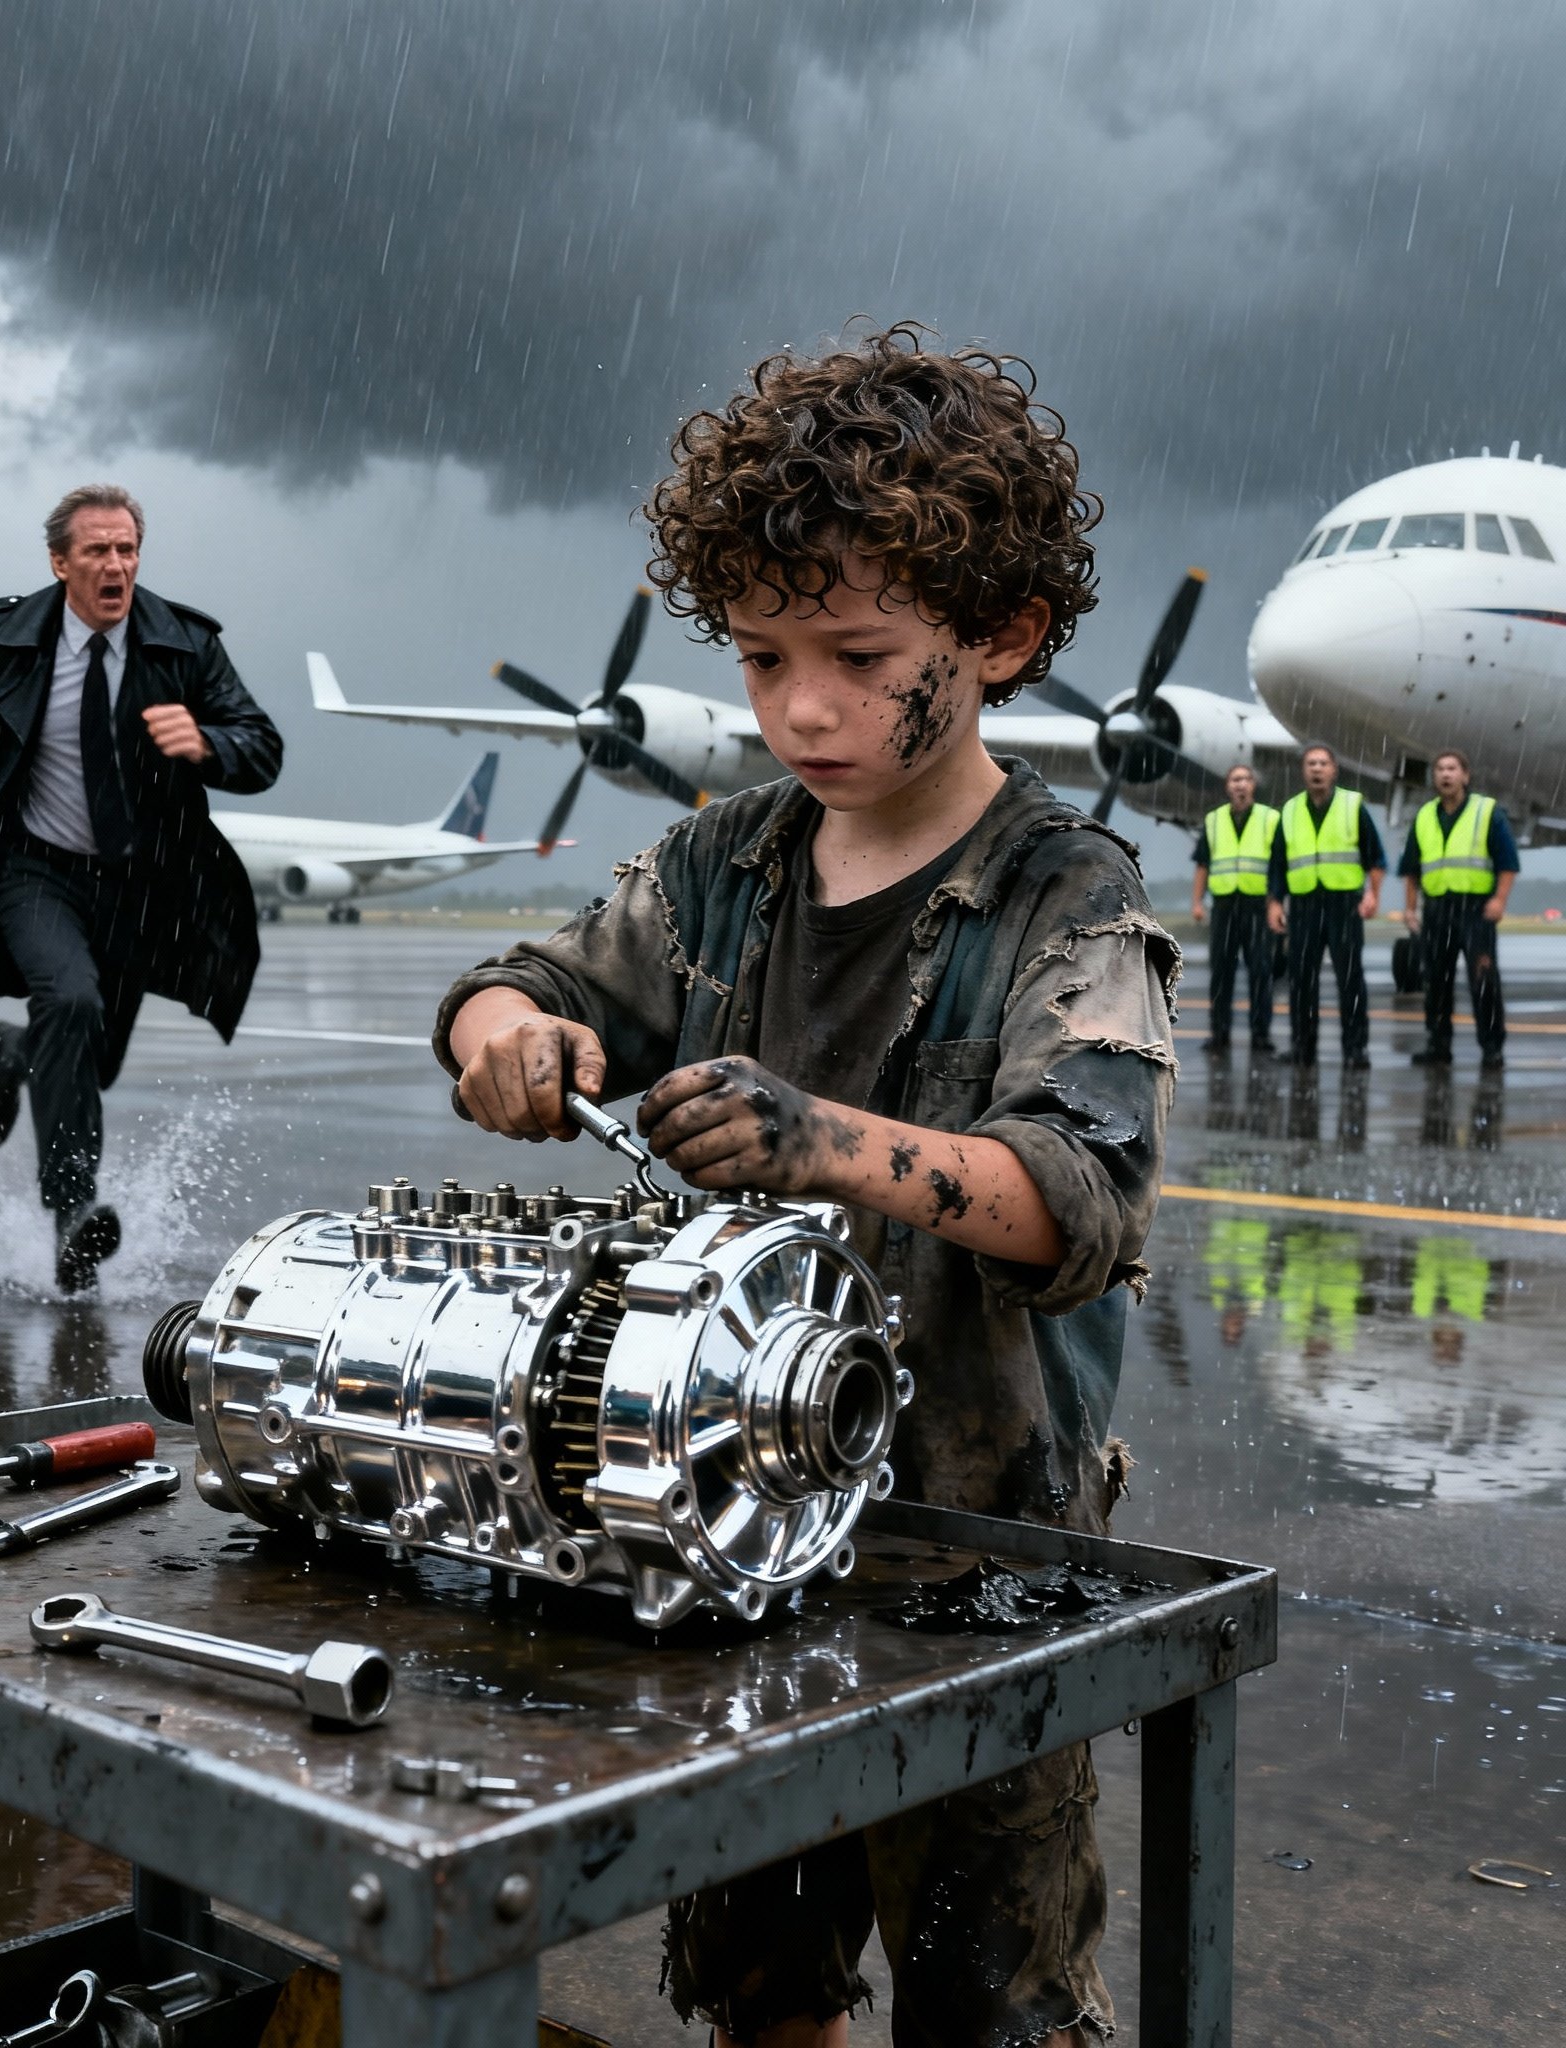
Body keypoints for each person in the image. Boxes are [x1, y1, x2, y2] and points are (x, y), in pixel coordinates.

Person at [437, 327, 1176, 2048]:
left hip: (974, 1560)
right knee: (757, 1981)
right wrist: (502, 1031)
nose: (799, 710)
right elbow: (525, 977)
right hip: (729, 1528)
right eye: (763, 656)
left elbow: (1081, 1204)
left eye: (856, 652)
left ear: (1000, 636)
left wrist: (818, 1138)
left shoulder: (1065, 894)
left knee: (988, 2003)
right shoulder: (719, 864)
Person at [0, 484, 283, 1291]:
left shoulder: (184, 646)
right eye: (98, 551)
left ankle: (15, 1052)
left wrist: (212, 744)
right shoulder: (0, 642)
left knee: (88, 1060)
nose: (116, 565)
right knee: (72, 1004)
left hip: (140, 888)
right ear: (60, 562)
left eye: (128, 550)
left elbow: (261, 746)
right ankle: (73, 1215)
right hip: (30, 868)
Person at [1266, 743, 1384, 1070]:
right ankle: (1303, 1048)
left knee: (1350, 979)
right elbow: (1278, 864)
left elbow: (1375, 857)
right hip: (1303, 905)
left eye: (1323, 763)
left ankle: (1355, 1049)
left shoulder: (1352, 806)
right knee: (1302, 979)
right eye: (1311, 764)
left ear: (1334, 770)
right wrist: (1275, 902)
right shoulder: (1289, 811)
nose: (1317, 769)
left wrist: (1372, 894)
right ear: (1304, 771)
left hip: (1343, 904)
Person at [1399, 748, 1516, 1069]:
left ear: (1465, 775)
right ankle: (1439, 1045)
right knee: (1436, 981)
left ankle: (1492, 1047)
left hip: (1475, 911)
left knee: (1483, 980)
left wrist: (1499, 900)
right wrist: (1411, 909)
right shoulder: (1424, 816)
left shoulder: (1486, 812)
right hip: (1436, 910)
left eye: (1452, 769)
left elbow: (1508, 863)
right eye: (1440, 769)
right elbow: (1411, 868)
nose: (1445, 775)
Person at [1191, 762, 1279, 1055]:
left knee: (1260, 972)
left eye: (1245, 779)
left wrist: (1275, 902)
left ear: (1253, 785)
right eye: (1235, 780)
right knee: (1221, 972)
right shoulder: (1214, 820)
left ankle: (1260, 1034)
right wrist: (1197, 902)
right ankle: (1219, 1033)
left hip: (1257, 905)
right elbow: (1203, 863)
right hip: (1225, 906)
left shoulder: (1270, 819)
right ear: (1227, 786)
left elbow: (1279, 865)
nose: (1240, 785)